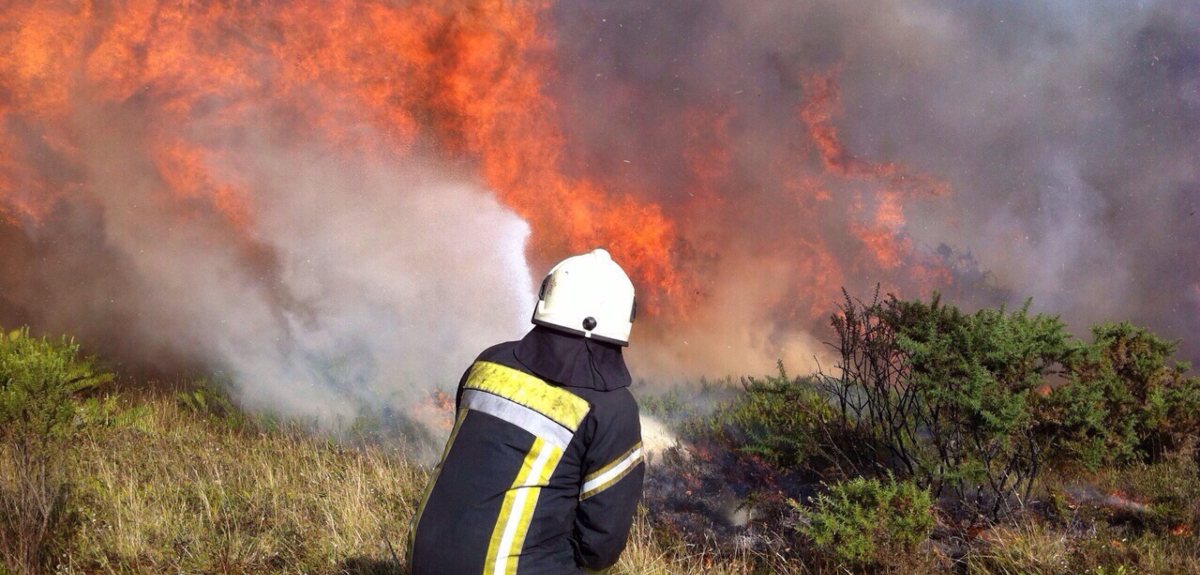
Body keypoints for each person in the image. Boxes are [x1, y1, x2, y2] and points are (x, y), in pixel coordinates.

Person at [408, 248, 645, 575]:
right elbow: (600, 544)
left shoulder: (489, 362)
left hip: (424, 555)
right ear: (624, 316)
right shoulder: (611, 408)